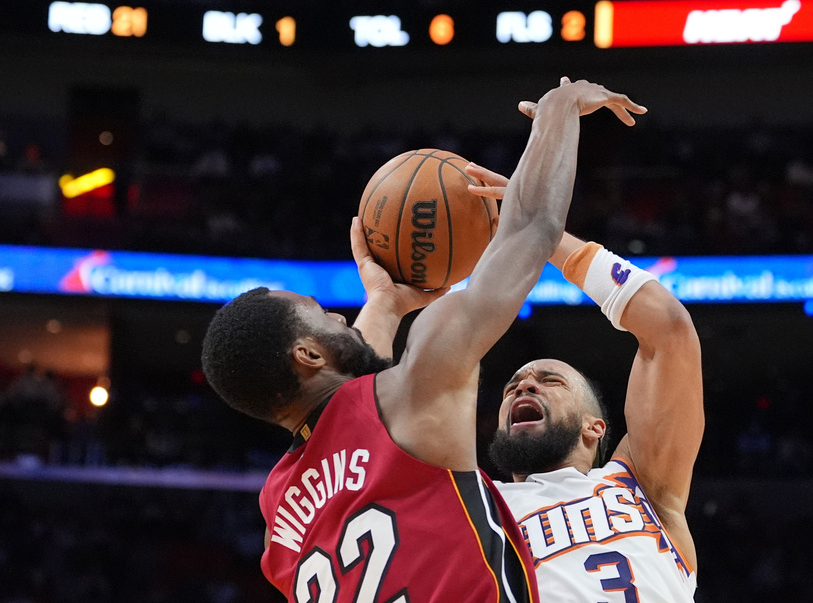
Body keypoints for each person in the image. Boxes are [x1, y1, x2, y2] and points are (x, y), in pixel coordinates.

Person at [200, 77, 647, 603]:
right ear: (308, 354)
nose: (342, 317)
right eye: (320, 314)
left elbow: (353, 405)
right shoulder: (416, 387)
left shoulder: (281, 513)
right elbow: (534, 229)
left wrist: (387, 302)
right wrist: (559, 112)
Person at [465, 162, 704, 602]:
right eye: (512, 387)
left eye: (549, 380)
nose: (524, 386)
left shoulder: (643, 487)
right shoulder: (473, 509)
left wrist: (545, 235)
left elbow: (668, 329)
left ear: (595, 427)